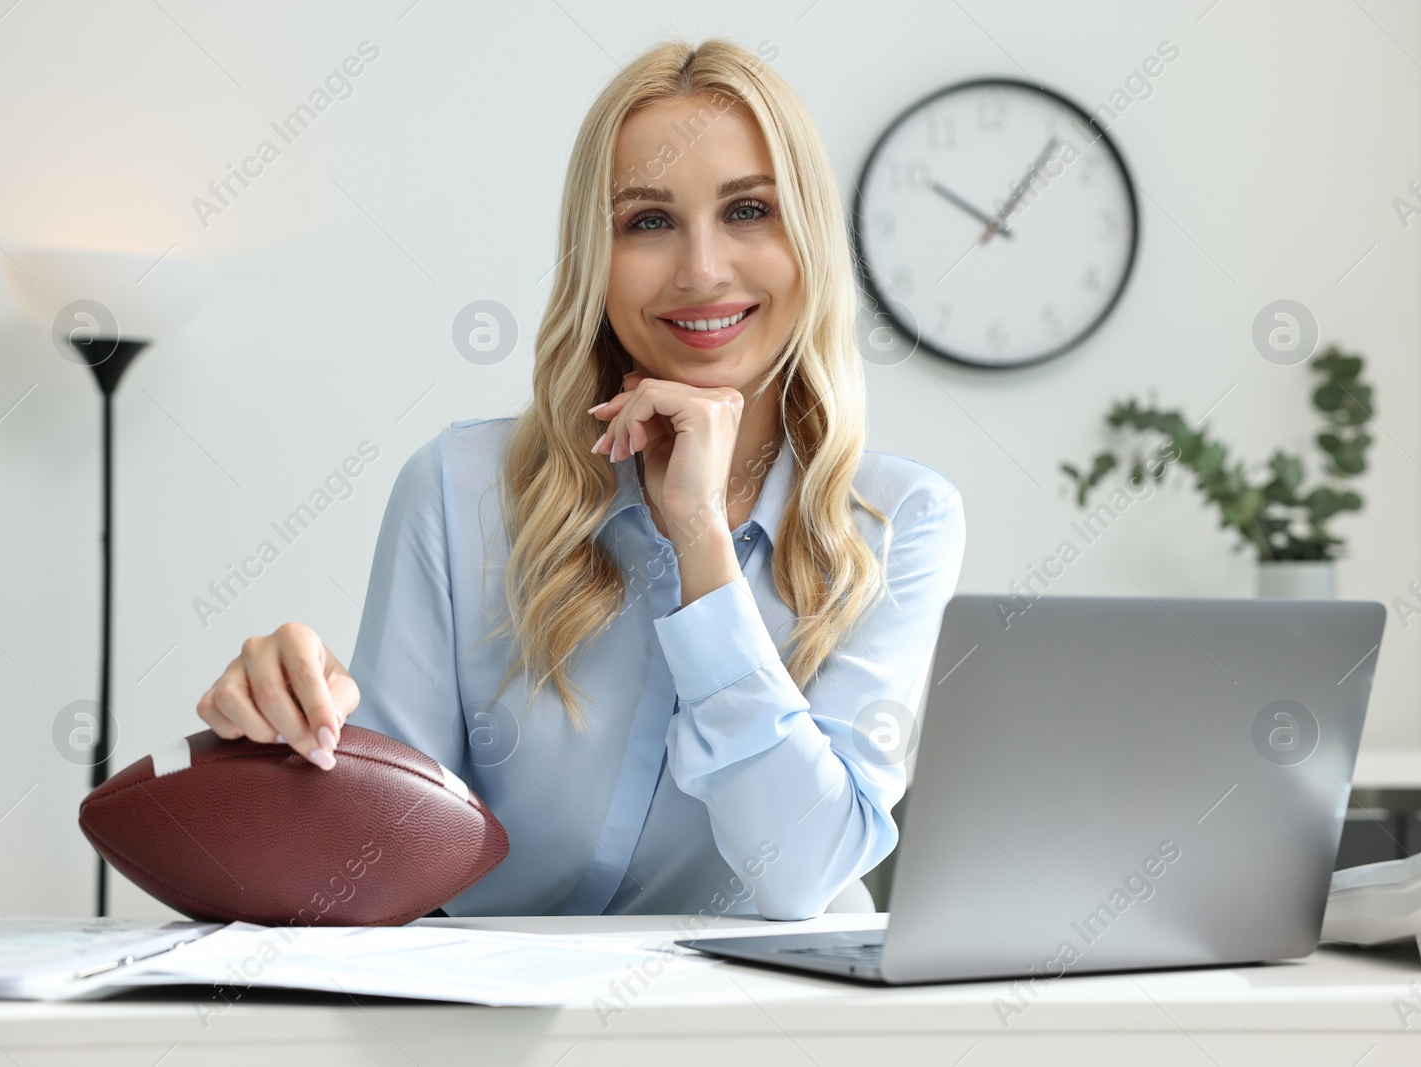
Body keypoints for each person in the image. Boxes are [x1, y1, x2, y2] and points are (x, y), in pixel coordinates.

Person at [195, 37, 965, 921]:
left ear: (811, 241)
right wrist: (277, 742)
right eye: (646, 221)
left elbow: (800, 872)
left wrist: (701, 541)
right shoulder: (459, 491)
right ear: (593, 260)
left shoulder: (900, 522)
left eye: (750, 210)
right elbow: (378, 868)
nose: (702, 269)